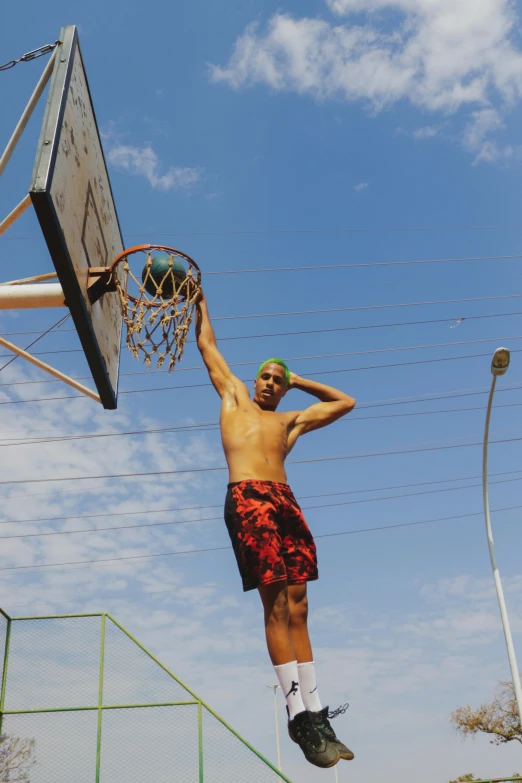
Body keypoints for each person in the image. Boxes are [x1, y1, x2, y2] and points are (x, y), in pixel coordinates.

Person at [195, 290, 356, 769]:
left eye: (276, 379)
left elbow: (345, 402)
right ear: (253, 380)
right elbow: (208, 347)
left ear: (284, 388)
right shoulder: (234, 400)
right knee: (277, 604)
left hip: (285, 502)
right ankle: (296, 715)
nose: (268, 382)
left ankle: (317, 710)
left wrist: (298, 377)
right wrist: (200, 306)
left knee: (301, 604)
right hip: (249, 499)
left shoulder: (290, 422)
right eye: (264, 375)